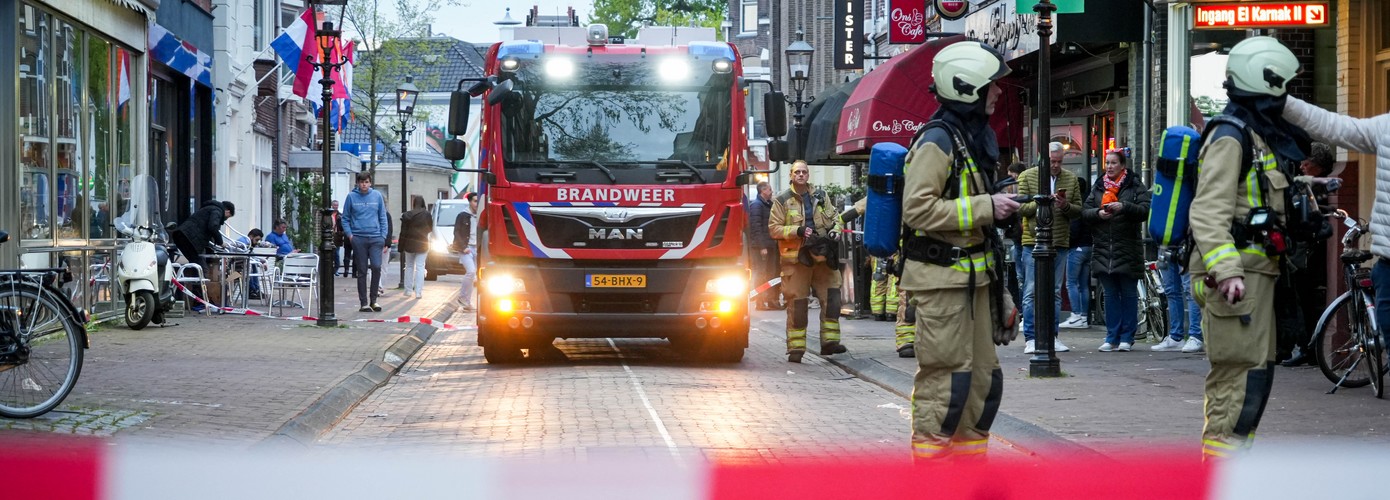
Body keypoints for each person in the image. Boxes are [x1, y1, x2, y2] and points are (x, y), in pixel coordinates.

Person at [899, 40, 1018, 460]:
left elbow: (979, 231)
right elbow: (916, 209)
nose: (999, 92)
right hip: (942, 283)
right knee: (945, 388)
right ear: (967, 87)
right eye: (992, 85)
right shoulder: (937, 141)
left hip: (975, 284)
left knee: (982, 388)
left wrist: (1000, 291)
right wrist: (987, 205)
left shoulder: (971, 138)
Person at [1191, 36, 1309, 459]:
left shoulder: (1255, 135)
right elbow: (1207, 212)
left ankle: (1233, 471)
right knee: (1237, 383)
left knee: (1254, 381)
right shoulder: (1230, 135)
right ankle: (1218, 475)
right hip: (1236, 280)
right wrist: (1227, 272)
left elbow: (1255, 196)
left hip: (1255, 276)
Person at [769, 160, 848, 362]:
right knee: (798, 304)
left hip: (822, 255)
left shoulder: (821, 196)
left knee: (832, 299)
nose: (801, 175)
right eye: (797, 172)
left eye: (804, 172)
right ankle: (796, 349)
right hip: (797, 259)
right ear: (791, 175)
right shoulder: (782, 200)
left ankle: (830, 342)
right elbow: (774, 229)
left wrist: (834, 233)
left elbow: (836, 219)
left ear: (808, 175)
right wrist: (798, 231)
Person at [1081, 150, 1151, 351]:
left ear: (1122, 165)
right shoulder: (1099, 186)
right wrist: (1098, 213)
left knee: (1128, 293)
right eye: (1107, 163)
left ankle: (1127, 338)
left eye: (1113, 163)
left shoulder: (1134, 185)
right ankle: (1111, 336)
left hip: (1127, 248)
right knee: (1110, 294)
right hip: (1104, 249)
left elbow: (1145, 210)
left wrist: (1124, 206)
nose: (1109, 167)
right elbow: (1085, 212)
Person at [1017, 142, 1081, 354]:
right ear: (1042, 159)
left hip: (1059, 240)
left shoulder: (1070, 179)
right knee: (1031, 290)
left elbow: (1078, 210)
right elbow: (1021, 207)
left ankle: (1052, 336)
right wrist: (1043, 202)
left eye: (1059, 162)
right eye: (1052, 162)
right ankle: (1031, 337)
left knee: (1054, 292)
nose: (1055, 166)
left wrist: (1065, 206)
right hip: (1032, 240)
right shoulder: (1026, 176)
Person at [1282, 142, 1335, 366]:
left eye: (1307, 163)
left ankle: (1309, 349)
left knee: (1307, 300)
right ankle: (1306, 347)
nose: (1302, 166)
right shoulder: (1309, 184)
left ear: (1318, 166)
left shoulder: (1322, 187)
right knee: (1301, 300)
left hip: (1309, 254)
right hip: (1303, 251)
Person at [171, 200, 235, 310]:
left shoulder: (209, 208)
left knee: (197, 266)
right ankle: (200, 301)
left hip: (183, 236)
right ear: (227, 211)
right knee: (202, 269)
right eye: (228, 216)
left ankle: (199, 299)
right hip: (190, 238)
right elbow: (212, 227)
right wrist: (221, 242)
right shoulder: (217, 211)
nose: (225, 220)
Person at [342, 173, 388, 312]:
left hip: (375, 238)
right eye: (361, 182)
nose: (364, 185)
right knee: (361, 270)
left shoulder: (377, 196)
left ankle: (374, 300)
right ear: (357, 183)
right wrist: (350, 236)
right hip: (359, 238)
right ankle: (364, 303)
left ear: (370, 183)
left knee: (376, 266)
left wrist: (383, 236)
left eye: (367, 182)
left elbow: (382, 216)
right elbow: (345, 218)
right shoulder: (351, 197)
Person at [1153, 245, 1205, 353]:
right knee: (1172, 291)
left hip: (1185, 243)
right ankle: (1176, 337)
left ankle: (1196, 336)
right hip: (1165, 245)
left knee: (1189, 290)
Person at [1061, 170, 1094, 329]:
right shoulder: (1089, 204)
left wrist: (1066, 241)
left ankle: (1076, 315)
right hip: (1088, 247)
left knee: (1071, 283)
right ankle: (1084, 317)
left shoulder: (1076, 208)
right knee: (1083, 284)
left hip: (1076, 248)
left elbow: (1074, 230)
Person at [747, 181, 782, 310]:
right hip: (762, 247)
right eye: (769, 189)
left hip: (770, 244)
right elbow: (756, 227)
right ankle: (760, 302)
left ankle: (771, 300)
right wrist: (762, 246)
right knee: (761, 274)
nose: (771, 191)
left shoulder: (768, 205)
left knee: (771, 274)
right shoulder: (756, 206)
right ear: (763, 191)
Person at [399, 195, 433, 300]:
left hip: (409, 244)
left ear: (413, 203)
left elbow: (403, 232)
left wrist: (401, 246)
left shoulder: (406, 215)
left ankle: (408, 290)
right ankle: (418, 292)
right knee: (420, 267)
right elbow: (430, 228)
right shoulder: (427, 214)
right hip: (422, 243)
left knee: (409, 266)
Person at [453, 192, 479, 310]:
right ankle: (462, 297)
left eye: (478, 201)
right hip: (466, 248)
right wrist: (463, 247)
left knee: (475, 276)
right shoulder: (463, 215)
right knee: (471, 271)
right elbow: (457, 232)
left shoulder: (481, 215)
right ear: (469, 201)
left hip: (477, 248)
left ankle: (467, 303)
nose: (476, 204)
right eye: (474, 201)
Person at [331, 200, 346, 276]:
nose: (335, 206)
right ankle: (331, 269)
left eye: (337, 205)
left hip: (337, 237)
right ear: (332, 205)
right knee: (331, 254)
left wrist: (341, 233)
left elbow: (343, 226)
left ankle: (336, 269)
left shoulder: (340, 215)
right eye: (334, 205)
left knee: (336, 253)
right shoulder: (329, 215)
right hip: (330, 236)